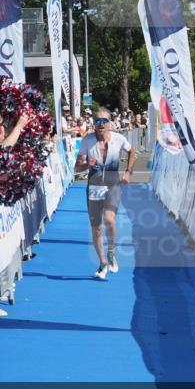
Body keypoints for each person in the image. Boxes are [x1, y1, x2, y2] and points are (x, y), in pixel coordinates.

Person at [75, 107, 135, 280]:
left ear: (109, 123)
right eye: (97, 121)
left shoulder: (118, 139)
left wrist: (128, 172)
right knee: (96, 227)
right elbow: (77, 168)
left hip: (112, 184)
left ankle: (111, 253)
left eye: (104, 121)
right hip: (94, 185)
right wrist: (87, 165)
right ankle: (102, 263)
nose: (101, 124)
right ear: (93, 124)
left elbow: (132, 152)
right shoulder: (87, 141)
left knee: (109, 219)